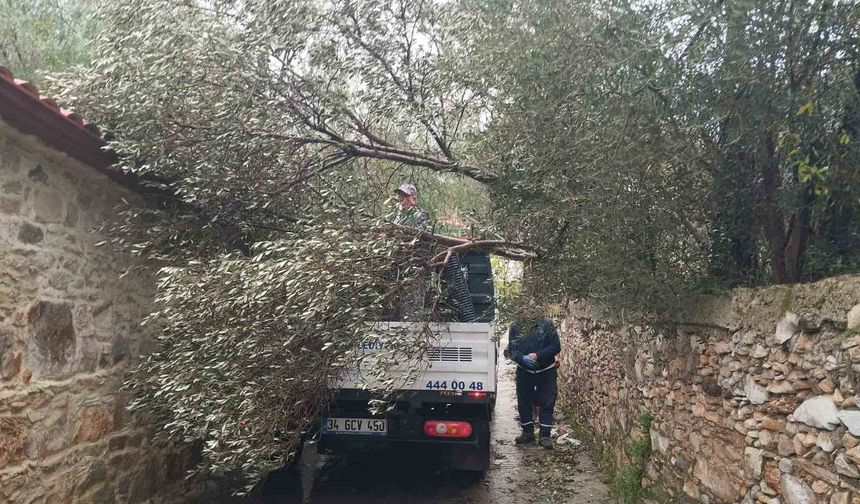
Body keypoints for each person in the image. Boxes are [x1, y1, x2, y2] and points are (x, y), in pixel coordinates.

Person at [506, 317, 561, 449]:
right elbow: (512, 349)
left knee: (548, 401)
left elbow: (556, 346)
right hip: (525, 370)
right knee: (524, 401)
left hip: (546, 370)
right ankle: (527, 432)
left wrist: (538, 355)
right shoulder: (515, 325)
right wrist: (521, 358)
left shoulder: (547, 324)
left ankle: (545, 436)